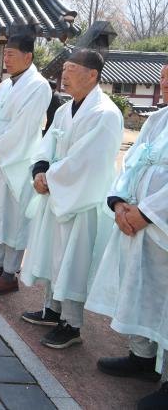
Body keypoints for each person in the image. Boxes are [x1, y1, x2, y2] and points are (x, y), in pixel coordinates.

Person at [20, 48, 123, 349]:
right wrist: (40, 170)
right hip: (58, 192)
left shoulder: (104, 113)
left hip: (82, 200)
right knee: (55, 254)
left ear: (93, 75)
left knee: (74, 260)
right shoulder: (65, 110)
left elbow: (87, 161)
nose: (64, 74)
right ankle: (52, 309)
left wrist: (49, 178)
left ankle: (72, 323)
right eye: (64, 68)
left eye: (72, 68)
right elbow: (47, 144)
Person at [85, 62, 168, 409]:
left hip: (158, 222)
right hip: (138, 221)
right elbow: (132, 161)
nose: (164, 83)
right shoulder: (156, 119)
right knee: (141, 288)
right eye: (163, 76)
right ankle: (142, 357)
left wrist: (148, 212)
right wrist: (119, 203)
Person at [0, 17, 52, 295]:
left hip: (16, 160)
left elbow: (24, 128)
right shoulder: (5, 85)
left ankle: (10, 271)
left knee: (14, 217)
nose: (7, 59)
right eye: (5, 54)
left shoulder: (39, 86)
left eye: (12, 55)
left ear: (28, 56)